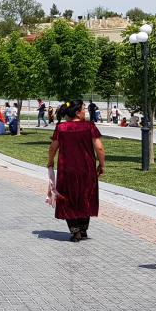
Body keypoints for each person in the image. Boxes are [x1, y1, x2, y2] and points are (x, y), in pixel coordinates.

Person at [46, 100, 105, 242]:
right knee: (86, 196)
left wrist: (50, 161)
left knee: (68, 198)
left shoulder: (61, 128)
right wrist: (102, 165)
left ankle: (75, 230)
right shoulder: (89, 127)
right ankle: (83, 229)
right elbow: (99, 148)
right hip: (87, 168)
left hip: (67, 169)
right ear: (78, 112)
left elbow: (53, 147)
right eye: (84, 109)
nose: (86, 111)